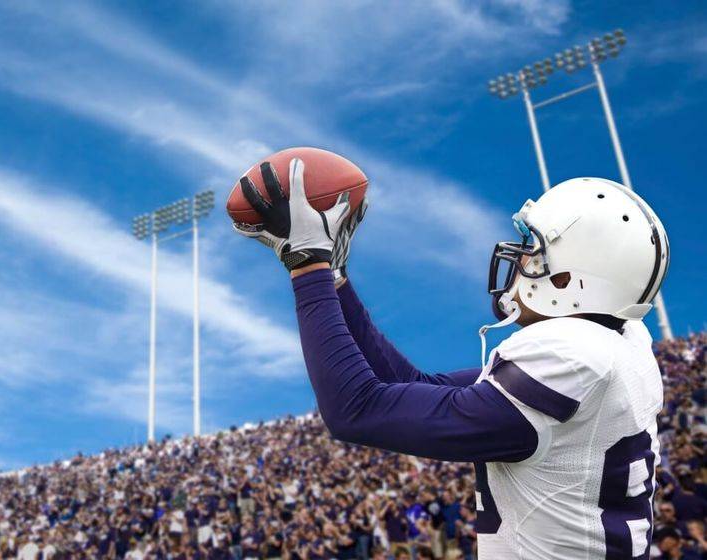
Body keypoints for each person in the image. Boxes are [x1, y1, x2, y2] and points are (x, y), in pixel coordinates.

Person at [233, 157, 670, 559]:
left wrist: (308, 268)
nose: (519, 258)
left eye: (534, 250)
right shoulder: (618, 342)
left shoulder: (569, 362)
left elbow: (355, 409)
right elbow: (416, 383)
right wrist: (335, 278)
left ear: (568, 280)